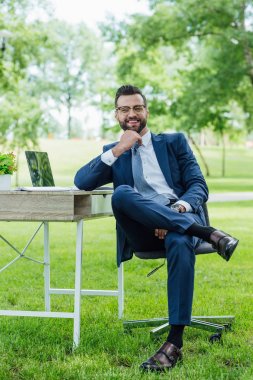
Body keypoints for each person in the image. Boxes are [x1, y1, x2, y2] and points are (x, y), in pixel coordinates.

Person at [74, 85, 239, 372]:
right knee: (122, 192)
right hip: (142, 230)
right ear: (116, 115)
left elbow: (198, 186)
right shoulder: (112, 152)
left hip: (178, 220)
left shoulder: (174, 142)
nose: (132, 114)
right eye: (124, 109)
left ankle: (174, 343)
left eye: (137, 107)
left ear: (146, 111)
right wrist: (120, 148)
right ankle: (208, 233)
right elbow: (81, 181)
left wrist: (173, 212)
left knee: (178, 239)